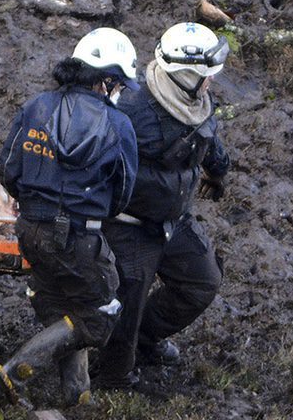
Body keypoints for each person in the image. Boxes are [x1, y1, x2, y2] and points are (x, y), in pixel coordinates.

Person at [0, 28, 139, 410]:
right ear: (106, 80)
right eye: (119, 84)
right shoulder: (118, 124)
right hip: (79, 236)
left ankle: (78, 396)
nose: (120, 91)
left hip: (30, 229)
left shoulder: (36, 106)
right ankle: (16, 368)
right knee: (98, 318)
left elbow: (8, 169)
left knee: (62, 310)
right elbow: (123, 192)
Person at [99, 22, 232, 387]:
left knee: (202, 282)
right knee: (126, 302)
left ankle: (145, 337)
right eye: (206, 76)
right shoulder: (129, 111)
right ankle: (112, 373)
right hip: (129, 225)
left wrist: (218, 173)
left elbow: (209, 141)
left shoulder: (199, 104)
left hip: (174, 220)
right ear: (185, 75)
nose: (211, 83)